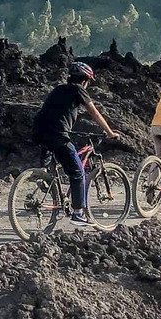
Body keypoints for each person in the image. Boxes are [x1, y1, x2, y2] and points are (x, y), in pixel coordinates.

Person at [32, 63, 123, 225]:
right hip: (58, 135)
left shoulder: (58, 89)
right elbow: (94, 113)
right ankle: (78, 213)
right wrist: (110, 132)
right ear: (86, 80)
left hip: (39, 131)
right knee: (78, 173)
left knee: (53, 159)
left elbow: (56, 112)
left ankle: (44, 176)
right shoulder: (79, 90)